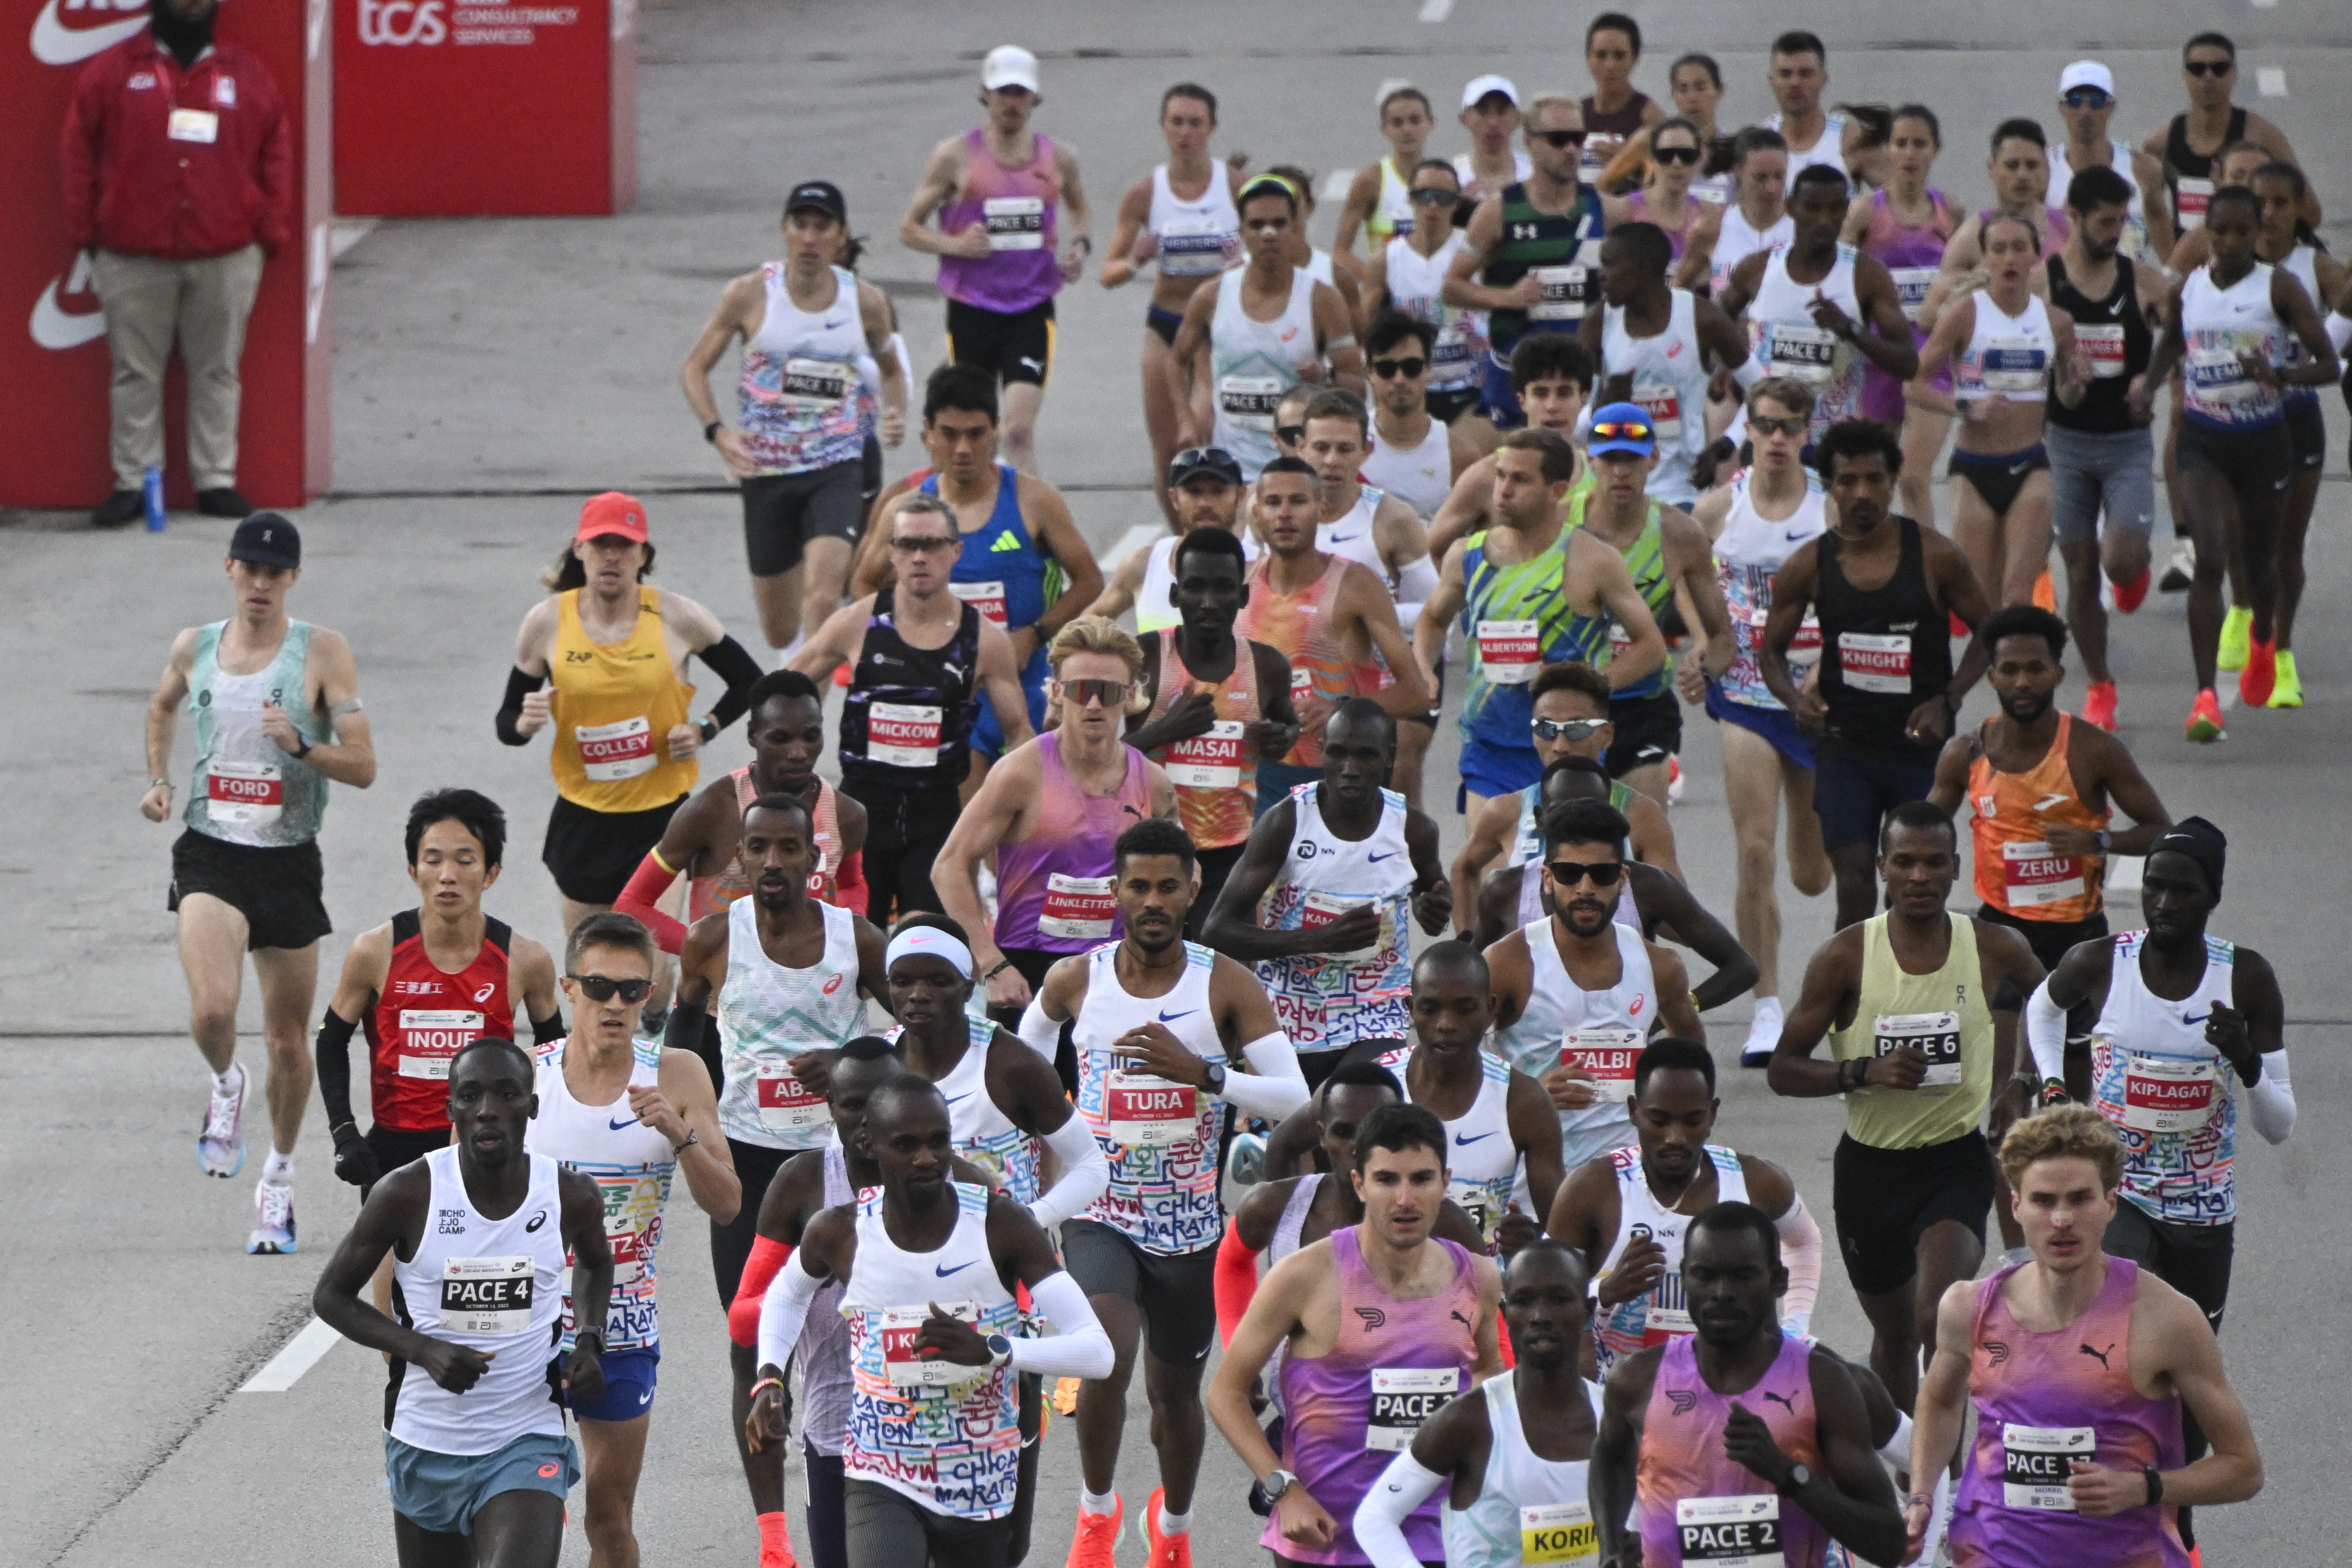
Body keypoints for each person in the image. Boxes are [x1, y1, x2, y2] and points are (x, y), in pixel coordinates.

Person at [1025, 818, 1311, 1568]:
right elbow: (1018, 1068)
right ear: (1114, 892)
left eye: (1167, 886)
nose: (1152, 900)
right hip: (1100, 1212)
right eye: (1137, 885)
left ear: (1192, 891)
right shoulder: (1074, 980)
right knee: (1104, 1354)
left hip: (1187, 1227)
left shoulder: (1223, 982)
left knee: (1173, 1401)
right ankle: (1095, 1515)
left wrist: (1206, 1074)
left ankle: (1174, 1527)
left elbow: (1296, 1098)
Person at [749, 1075, 1117, 1567]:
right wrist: (769, 1373)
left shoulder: (1000, 1224)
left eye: (937, 1141)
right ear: (868, 1144)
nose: (926, 1157)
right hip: (880, 1473)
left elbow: (1097, 1351)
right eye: (906, 1144)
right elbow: (787, 1292)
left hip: (981, 1475)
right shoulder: (840, 1231)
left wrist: (994, 1348)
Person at [2024, 820, 2291, 1471]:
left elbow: (2278, 1123)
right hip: (2122, 1198)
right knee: (2113, 1345)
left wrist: (2244, 1062)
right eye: (2153, 887)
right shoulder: (2101, 961)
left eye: (2183, 889)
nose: (2165, 903)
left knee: (2186, 1383)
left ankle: (2175, 1510)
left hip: (2201, 1212)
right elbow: (2042, 1004)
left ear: (2212, 895)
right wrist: (2053, 1082)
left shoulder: (2244, 980)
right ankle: (2109, 1492)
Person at [142, 514, 376, 1251]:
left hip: (287, 859)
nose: (261, 583)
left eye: (275, 572)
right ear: (230, 568)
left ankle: (277, 1177)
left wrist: (302, 743)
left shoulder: (321, 652)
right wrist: (158, 779)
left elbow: (364, 764)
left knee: (287, 1043)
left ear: (293, 579)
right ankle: (222, 1082)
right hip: (210, 850)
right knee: (213, 1009)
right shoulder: (196, 645)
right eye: (250, 568)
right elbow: (161, 705)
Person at [1767, 800, 2046, 1410]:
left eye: (1932, 862)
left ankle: (1939, 1493)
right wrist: (1863, 1070)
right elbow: (1782, 1068)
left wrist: (2018, 1083)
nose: (1918, 876)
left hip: (1954, 1162)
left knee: (1935, 1319)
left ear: (1954, 869)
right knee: (1894, 1338)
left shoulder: (1995, 946)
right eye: (1904, 862)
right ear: (1881, 869)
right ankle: (1905, 1478)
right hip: (1869, 1171)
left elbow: (2053, 1006)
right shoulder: (1845, 956)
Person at [1906, 1106, 2266, 1565]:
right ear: (2015, 1206)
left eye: (2079, 1199)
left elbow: (2243, 1468)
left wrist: (2144, 1487)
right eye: (2043, 1200)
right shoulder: (1968, 1307)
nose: (2061, 1219)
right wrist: (1922, 1494)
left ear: (2109, 1204)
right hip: (1993, 1551)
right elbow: (1939, 1401)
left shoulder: (2166, 1319)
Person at [668, 792, 886, 1547]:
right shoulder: (710, 940)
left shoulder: (855, 939)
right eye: (756, 847)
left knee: (857, 1335)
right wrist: (685, 1125)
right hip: (751, 1168)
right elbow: (682, 1040)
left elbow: (909, 1038)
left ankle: (860, 1488)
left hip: (842, 1168)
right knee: (751, 1338)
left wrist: (849, 1063)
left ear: (813, 857)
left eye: (787, 848)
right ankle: (772, 1537)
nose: (770, 862)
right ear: (739, 856)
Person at [311, 1037, 612, 1568]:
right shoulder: (407, 1193)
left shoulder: (569, 1194)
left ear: (532, 1107)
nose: (487, 1109)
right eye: (470, 1096)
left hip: (526, 1435)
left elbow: (595, 1261)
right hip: (426, 1440)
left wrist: (589, 1337)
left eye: (506, 1093)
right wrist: (420, 1348)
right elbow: (332, 1296)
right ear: (451, 1110)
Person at [723, 1036, 1001, 1568]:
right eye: (854, 1103)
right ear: (831, 1106)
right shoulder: (804, 1183)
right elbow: (745, 1315)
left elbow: (1021, 1302)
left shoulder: (965, 1185)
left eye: (882, 1099)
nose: (869, 1117)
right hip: (839, 1435)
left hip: (949, 1434)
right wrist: (813, 1281)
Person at [526, 912, 740, 1568]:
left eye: (632, 990)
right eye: (598, 986)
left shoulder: (675, 1073)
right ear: (568, 987)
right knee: (520, 1512)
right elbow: (450, 1192)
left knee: (607, 1518)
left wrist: (680, 1134)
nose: (614, 1003)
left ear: (650, 994)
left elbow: (728, 1203)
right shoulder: (523, 1077)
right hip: (526, 1323)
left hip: (621, 1329)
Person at [1208, 1103, 1503, 1566]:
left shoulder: (1478, 1277)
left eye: (1421, 1179)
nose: (1405, 1199)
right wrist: (1283, 1490)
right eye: (1387, 1179)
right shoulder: (1305, 1275)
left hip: (1438, 1532)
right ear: (1359, 1183)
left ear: (1445, 1183)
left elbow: (1489, 1370)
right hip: (1324, 1535)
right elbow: (1225, 1391)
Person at [499, 493, 763, 987]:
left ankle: (658, 1040)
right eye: (601, 544)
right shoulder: (547, 622)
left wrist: (703, 727)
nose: (612, 556)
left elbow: (751, 681)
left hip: (661, 819)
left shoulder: (677, 618)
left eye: (625, 545)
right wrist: (524, 721)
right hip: (583, 815)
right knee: (590, 972)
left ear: (644, 555)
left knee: (653, 971)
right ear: (580, 549)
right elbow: (507, 720)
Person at [1760, 419, 1993, 931]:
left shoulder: (1934, 555)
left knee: (1911, 886)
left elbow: (1990, 633)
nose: (1861, 493)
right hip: (1846, 746)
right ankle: (1853, 1002)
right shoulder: (1808, 565)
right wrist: (1794, 702)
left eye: (1874, 479)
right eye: (1847, 481)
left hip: (1918, 747)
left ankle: (1905, 995)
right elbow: (1770, 653)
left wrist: (1947, 700)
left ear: (1893, 481)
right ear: (1829, 485)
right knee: (1854, 884)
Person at [64, 0, 288, 525]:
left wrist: (268, 236)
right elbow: (78, 154)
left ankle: (215, 480)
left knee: (217, 370)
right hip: (130, 254)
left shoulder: (249, 75)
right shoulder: (112, 73)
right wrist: (87, 234)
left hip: (227, 252)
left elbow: (277, 154)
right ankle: (134, 483)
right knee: (134, 373)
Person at [1590, 1203, 1908, 1568]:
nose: (1721, 1292)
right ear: (1684, 1278)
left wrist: (1788, 1473)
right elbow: (1609, 1457)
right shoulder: (1638, 1380)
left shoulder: (1822, 1383)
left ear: (1778, 1280)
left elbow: (1888, 1544)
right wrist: (1610, 1545)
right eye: (1704, 1275)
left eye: (1742, 1276)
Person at [2130, 184, 2337, 732]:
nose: (2226, 241)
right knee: (2210, 559)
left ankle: (2263, 638)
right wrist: (2147, 389)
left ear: (2255, 234)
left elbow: (2329, 365)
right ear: (2206, 231)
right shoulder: (2190, 288)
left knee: (2260, 567)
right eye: (2217, 231)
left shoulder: (2279, 289)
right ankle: (2203, 697)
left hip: (2265, 441)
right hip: (2204, 440)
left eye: (2239, 231)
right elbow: (2172, 344)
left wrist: (2280, 376)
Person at [316, 791, 562, 1245]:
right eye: (433, 860)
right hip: (395, 1147)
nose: (447, 876)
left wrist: (546, 1138)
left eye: (465, 860)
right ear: (413, 870)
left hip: (488, 1146)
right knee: (394, 1297)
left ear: (491, 873)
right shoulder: (375, 951)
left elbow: (554, 1055)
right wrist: (345, 1133)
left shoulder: (525, 959)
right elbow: (331, 1039)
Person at [682, 181, 908, 654]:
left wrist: (895, 414)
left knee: (824, 598)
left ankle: (806, 715)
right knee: (780, 629)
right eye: (799, 225)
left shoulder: (864, 302)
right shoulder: (748, 295)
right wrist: (717, 432)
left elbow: (892, 369)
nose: (809, 237)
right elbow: (694, 368)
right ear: (784, 231)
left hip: (835, 468)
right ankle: (798, 675)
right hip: (767, 472)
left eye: (820, 227)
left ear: (840, 235)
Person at [792, 494, 1035, 925]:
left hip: (937, 818)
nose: (919, 557)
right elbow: (787, 685)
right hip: (861, 813)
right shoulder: (859, 622)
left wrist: (1007, 814)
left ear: (955, 552)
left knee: (929, 948)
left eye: (932, 544)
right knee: (850, 945)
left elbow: (1019, 734)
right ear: (891, 553)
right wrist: (793, 760)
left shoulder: (985, 640)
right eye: (907, 545)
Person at [1682, 381, 1831, 1065]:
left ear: (1805, 432)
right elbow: (1680, 574)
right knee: (1752, 851)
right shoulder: (1718, 507)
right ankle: (1766, 1003)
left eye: (1789, 427)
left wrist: (1825, 667)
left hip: (1811, 699)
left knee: (1809, 872)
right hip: (1743, 695)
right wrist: (1700, 645)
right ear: (1747, 429)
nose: (1776, 438)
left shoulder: (1828, 508)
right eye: (1765, 424)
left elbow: (1855, 588)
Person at [934, 617, 1176, 1034]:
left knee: (1107, 1100)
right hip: (1027, 971)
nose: (1094, 705)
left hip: (1115, 971)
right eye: (1081, 690)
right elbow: (949, 865)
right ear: (1058, 692)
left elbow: (1180, 878)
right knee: (1024, 1099)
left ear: (1131, 696)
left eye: (1109, 692)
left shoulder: (1152, 782)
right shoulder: (1021, 772)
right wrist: (993, 965)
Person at [1416, 428, 1665, 811]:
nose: (1504, 489)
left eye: (1520, 479)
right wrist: (1425, 668)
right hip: (1490, 744)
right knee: (1491, 866)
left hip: (1566, 747)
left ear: (1557, 489)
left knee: (1563, 867)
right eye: (1500, 476)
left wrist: (1592, 686)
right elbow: (1433, 619)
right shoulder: (1466, 556)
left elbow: (1650, 646)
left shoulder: (1593, 560)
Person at [1927, 605, 2171, 994]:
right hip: (1999, 930)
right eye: (2009, 670)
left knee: (2070, 1053)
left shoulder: (2093, 751)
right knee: (2002, 1050)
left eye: (2035, 669)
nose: (2022, 681)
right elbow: (1923, 837)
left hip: (2077, 937)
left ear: (2057, 673)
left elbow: (2161, 832)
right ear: (1992, 677)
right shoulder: (1965, 754)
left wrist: (2098, 841)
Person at [1204, 700, 1452, 1077]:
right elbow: (1217, 930)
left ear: (1389, 756)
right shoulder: (1287, 821)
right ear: (1321, 753)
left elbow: (1430, 898)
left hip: (1375, 1014)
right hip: (1289, 1019)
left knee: (1366, 1104)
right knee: (1299, 1132)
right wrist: (1318, 939)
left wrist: (1431, 908)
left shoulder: (1413, 829)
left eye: (1366, 756)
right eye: (1337, 753)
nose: (1350, 770)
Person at [1548, 1038, 1823, 1374]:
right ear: (1634, 1110)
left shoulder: (1756, 1183)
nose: (1674, 1137)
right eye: (1658, 1120)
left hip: (1728, 1392)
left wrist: (1794, 1327)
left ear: (1712, 1113)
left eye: (1691, 1121)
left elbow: (1803, 1242)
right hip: (1624, 1397)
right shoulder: (1592, 1188)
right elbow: (1547, 1292)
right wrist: (1605, 1291)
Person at [898, 365, 1103, 770]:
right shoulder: (909, 508)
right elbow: (867, 582)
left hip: (1027, 690)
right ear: (928, 432)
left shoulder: (1033, 500)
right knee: (971, 824)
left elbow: (1089, 580)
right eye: (950, 433)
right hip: (952, 694)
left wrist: (1034, 635)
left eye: (975, 433)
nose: (962, 448)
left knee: (1031, 827)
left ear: (995, 430)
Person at [897, 45, 1091, 474]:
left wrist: (1079, 247)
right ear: (985, 93)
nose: (1012, 102)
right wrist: (956, 246)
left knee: (1017, 432)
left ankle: (1031, 535)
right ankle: (965, 523)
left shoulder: (1058, 157)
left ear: (1034, 99)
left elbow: (1078, 207)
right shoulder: (955, 156)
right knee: (970, 431)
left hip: (1031, 307)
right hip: (971, 309)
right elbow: (909, 228)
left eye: (1021, 93)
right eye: (1003, 92)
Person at [1351, 1240, 1599, 1568]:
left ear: (1587, 1310)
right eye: (1523, 1301)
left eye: (1559, 1299)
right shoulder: (1470, 1419)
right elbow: (1375, 1516)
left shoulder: (1616, 1416)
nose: (1540, 1315)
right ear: (1504, 1311)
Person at [1489, 799, 1705, 1170]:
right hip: (1531, 1179)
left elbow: (1693, 1059)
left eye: (1601, 874)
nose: (1585, 888)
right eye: (1569, 873)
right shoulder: (1508, 963)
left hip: (1628, 1178)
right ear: (1546, 878)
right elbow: (1454, 1065)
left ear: (1622, 880)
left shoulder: (1659, 966)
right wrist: (1530, 1096)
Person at [614, 670, 870, 962]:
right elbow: (631, 904)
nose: (799, 752)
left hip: (810, 999)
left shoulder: (846, 814)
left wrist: (846, 938)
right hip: (720, 1003)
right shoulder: (713, 810)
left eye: (811, 737)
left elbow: (850, 885)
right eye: (781, 738)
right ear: (753, 735)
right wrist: (709, 950)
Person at [1220, 1064, 1491, 1332]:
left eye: (1374, 1131)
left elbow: (1493, 1322)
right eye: (1343, 1132)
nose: (1357, 1147)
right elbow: (1231, 1263)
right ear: (1322, 1136)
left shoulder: (1445, 1224)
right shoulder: (1276, 1206)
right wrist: (1239, 1351)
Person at [1127, 527, 1302, 931]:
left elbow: (1287, 728)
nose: (1208, 603)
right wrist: (1166, 730)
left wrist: (1282, 738)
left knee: (1215, 962)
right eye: (1195, 588)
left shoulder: (1267, 666)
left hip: (1232, 851)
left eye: (1223, 588)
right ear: (1175, 595)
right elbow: (1103, 759)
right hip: (1152, 850)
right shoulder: (1145, 659)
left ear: (1242, 597)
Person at [1916, 213, 2092, 609]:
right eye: (1998, 249)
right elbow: (1913, 384)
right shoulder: (1964, 314)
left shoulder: (2056, 321)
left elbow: (2065, 399)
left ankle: (2024, 665)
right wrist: (1965, 407)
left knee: (2016, 595)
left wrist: (2075, 384)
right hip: (1973, 469)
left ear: (2035, 256)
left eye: (2019, 248)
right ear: (1984, 258)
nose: (2009, 258)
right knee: (1981, 600)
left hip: (2030, 464)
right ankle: (1995, 668)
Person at [1233, 457, 1431, 806]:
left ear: (1321, 509)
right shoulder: (1241, 583)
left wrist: (1341, 711)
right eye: (1273, 502)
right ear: (1256, 513)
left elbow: (1415, 693)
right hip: (1256, 773)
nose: (1284, 514)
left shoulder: (1354, 584)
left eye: (1297, 501)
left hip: (1337, 775)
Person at [1568, 402, 1736, 805]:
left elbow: (1722, 636)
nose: (1621, 471)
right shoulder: (1559, 525)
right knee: (1571, 841)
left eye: (1633, 459)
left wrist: (1707, 673)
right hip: (1568, 707)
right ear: (1590, 459)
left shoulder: (1679, 533)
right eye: (1610, 459)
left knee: (1643, 840)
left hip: (1643, 706)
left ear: (1654, 459)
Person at [2046, 165, 2162, 731]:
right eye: (2104, 221)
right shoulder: (2047, 283)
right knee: (2079, 569)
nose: (2115, 232)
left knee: (2117, 559)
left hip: (2123, 445)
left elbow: (2188, 328)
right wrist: (2061, 384)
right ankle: (2098, 683)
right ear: (2072, 215)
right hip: (2064, 445)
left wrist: (2152, 382)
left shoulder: (2138, 281)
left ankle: (2133, 567)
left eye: (2122, 220)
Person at [1101, 83, 1245, 527]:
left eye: (1195, 123)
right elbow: (1108, 272)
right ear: (1164, 127)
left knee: (1220, 442)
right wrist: (1136, 260)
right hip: (1167, 323)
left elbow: (1285, 243)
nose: (1185, 133)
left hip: (1221, 327)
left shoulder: (1236, 186)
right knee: (1168, 452)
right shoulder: (1146, 192)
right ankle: (1182, 541)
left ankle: (1230, 536)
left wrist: (1246, 259)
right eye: (1177, 122)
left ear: (1212, 128)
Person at [1452, 662, 1684, 923]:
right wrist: (1466, 948)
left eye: (1577, 729)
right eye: (1546, 729)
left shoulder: (1641, 815)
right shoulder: (1506, 811)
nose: (1560, 745)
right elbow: (1463, 869)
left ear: (1607, 734)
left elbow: (1679, 921)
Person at [1299, 386, 1442, 807]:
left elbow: (1434, 610)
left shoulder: (1391, 518)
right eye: (1320, 447)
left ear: (1366, 451)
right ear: (1299, 447)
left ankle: (1412, 862)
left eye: (1344, 449)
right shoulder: (1277, 513)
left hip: (1392, 672)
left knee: (1398, 773)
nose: (1331, 461)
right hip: (1312, 681)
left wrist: (1363, 613)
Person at [1170, 173, 1365, 480]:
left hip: (1299, 471)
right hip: (1231, 471)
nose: (1269, 234)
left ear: (1296, 228)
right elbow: (1177, 359)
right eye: (1257, 225)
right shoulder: (1212, 296)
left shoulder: (1322, 300)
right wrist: (1185, 419)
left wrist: (1325, 383)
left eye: (1279, 223)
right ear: (1241, 232)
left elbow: (1356, 382)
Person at [1717, 165, 1921, 444]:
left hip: (1832, 445)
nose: (1824, 220)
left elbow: (1908, 364)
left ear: (1846, 211)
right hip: (1767, 439)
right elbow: (1714, 325)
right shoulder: (1758, 269)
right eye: (1812, 208)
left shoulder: (1866, 274)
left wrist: (1851, 330)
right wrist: (1728, 369)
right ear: (1791, 208)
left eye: (1835, 209)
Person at [1443, 93, 1608, 431]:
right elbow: (1451, 287)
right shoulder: (1499, 210)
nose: (1571, 150)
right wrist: (1506, 298)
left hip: (1582, 378)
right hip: (1515, 375)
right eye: (1559, 139)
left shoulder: (1604, 208)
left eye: (1578, 139)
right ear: (1530, 143)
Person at [1584, 222, 1759, 508]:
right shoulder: (1598, 321)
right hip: (1615, 487)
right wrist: (1605, 406)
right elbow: (1577, 420)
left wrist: (1726, 445)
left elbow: (1762, 390)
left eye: (1609, 265)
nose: (1600, 276)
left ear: (1642, 268)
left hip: (1683, 490)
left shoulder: (1701, 318)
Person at [1842, 105, 1957, 523]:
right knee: (1872, 477)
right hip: (1879, 359)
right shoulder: (1865, 212)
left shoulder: (1950, 212)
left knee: (1912, 477)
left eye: (1919, 144)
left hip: (1931, 360)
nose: (1910, 154)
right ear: (1888, 150)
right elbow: (1839, 278)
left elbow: (1968, 281)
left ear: (1935, 150)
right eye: (1901, 143)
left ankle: (1927, 571)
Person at [1425, 336, 1597, 562]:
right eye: (1541, 393)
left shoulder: (1598, 474)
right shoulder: (1487, 475)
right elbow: (1430, 552)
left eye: (1564, 393)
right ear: (1522, 400)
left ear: (1583, 399)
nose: (1553, 406)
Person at [2141, 31, 2316, 238]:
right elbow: (2153, 213)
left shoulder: (2261, 137)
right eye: (2197, 69)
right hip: (2194, 265)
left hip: (2250, 262)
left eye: (2219, 69)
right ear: (2185, 76)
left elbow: (2311, 213)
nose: (2208, 77)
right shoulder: (2160, 144)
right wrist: (2173, 263)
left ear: (2234, 73)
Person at [1089, 443, 1253, 636]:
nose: (1205, 504)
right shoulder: (1144, 564)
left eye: (1218, 492)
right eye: (1194, 491)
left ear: (1240, 496)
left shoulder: (1262, 568)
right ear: (1174, 498)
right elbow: (1086, 627)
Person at [1357, 314, 1484, 521]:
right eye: (1386, 369)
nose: (1399, 380)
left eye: (1412, 368)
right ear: (1369, 372)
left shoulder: (1460, 455)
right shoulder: (1348, 445)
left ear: (1429, 368)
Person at [2055, 61, 2173, 263]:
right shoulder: (2044, 169)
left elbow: (2161, 229)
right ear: (2063, 108)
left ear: (2110, 107)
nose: (2085, 111)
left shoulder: (2143, 169)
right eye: (2075, 101)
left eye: (2097, 101)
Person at [1593, 52, 1735, 208]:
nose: (1692, 97)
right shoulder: (1650, 140)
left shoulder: (1732, 149)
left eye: (1700, 87)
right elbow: (1603, 184)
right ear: (1674, 95)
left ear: (1719, 91)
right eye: (1683, 89)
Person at [1683, 127, 1791, 300]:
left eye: (1779, 176)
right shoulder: (1711, 229)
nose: (1772, 188)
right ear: (1739, 170)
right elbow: (1679, 291)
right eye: (1760, 177)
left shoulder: (1802, 228)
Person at [1335, 82, 1438, 263]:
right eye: (1397, 123)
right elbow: (1340, 253)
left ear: (1430, 123)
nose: (1407, 130)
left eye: (1415, 120)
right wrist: (1372, 281)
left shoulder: (1444, 180)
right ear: (1385, 129)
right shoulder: (1372, 181)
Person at [1616, 118, 1725, 268]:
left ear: (1700, 159)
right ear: (1651, 159)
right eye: (1666, 155)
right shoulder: (1624, 209)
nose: (1676, 163)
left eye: (1687, 155)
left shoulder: (1711, 215)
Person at [1760, 30, 1866, 183]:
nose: (1795, 83)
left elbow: (1895, 196)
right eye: (1785, 74)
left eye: (1805, 74)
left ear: (1823, 79)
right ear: (1772, 81)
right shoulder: (1762, 139)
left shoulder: (1849, 138)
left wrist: (1866, 207)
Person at [1578, 15, 1663, 183]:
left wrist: (1627, 162)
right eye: (1601, 55)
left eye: (1619, 56)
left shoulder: (1649, 117)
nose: (1610, 65)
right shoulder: (1577, 114)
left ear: (1635, 59)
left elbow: (1668, 182)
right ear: (1588, 58)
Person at [1454, 75, 1531, 200]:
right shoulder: (1452, 181)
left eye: (1502, 112)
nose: (1493, 122)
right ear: (1464, 119)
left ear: (1518, 118)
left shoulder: (1535, 177)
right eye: (1483, 112)